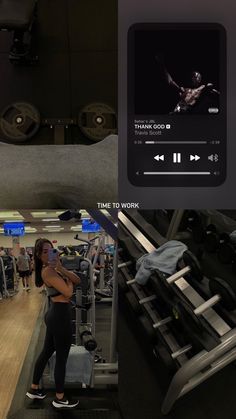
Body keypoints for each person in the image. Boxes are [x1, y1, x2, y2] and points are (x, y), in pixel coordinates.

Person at [26, 238, 80, 409]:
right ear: (38, 255)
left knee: (47, 351)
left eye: (51, 250)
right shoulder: (48, 272)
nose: (49, 253)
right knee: (61, 359)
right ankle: (60, 398)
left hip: (55, 314)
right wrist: (68, 283)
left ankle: (34, 388)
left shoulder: (54, 269)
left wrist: (61, 268)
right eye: (44, 251)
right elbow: (69, 292)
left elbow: (76, 279)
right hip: (59, 315)